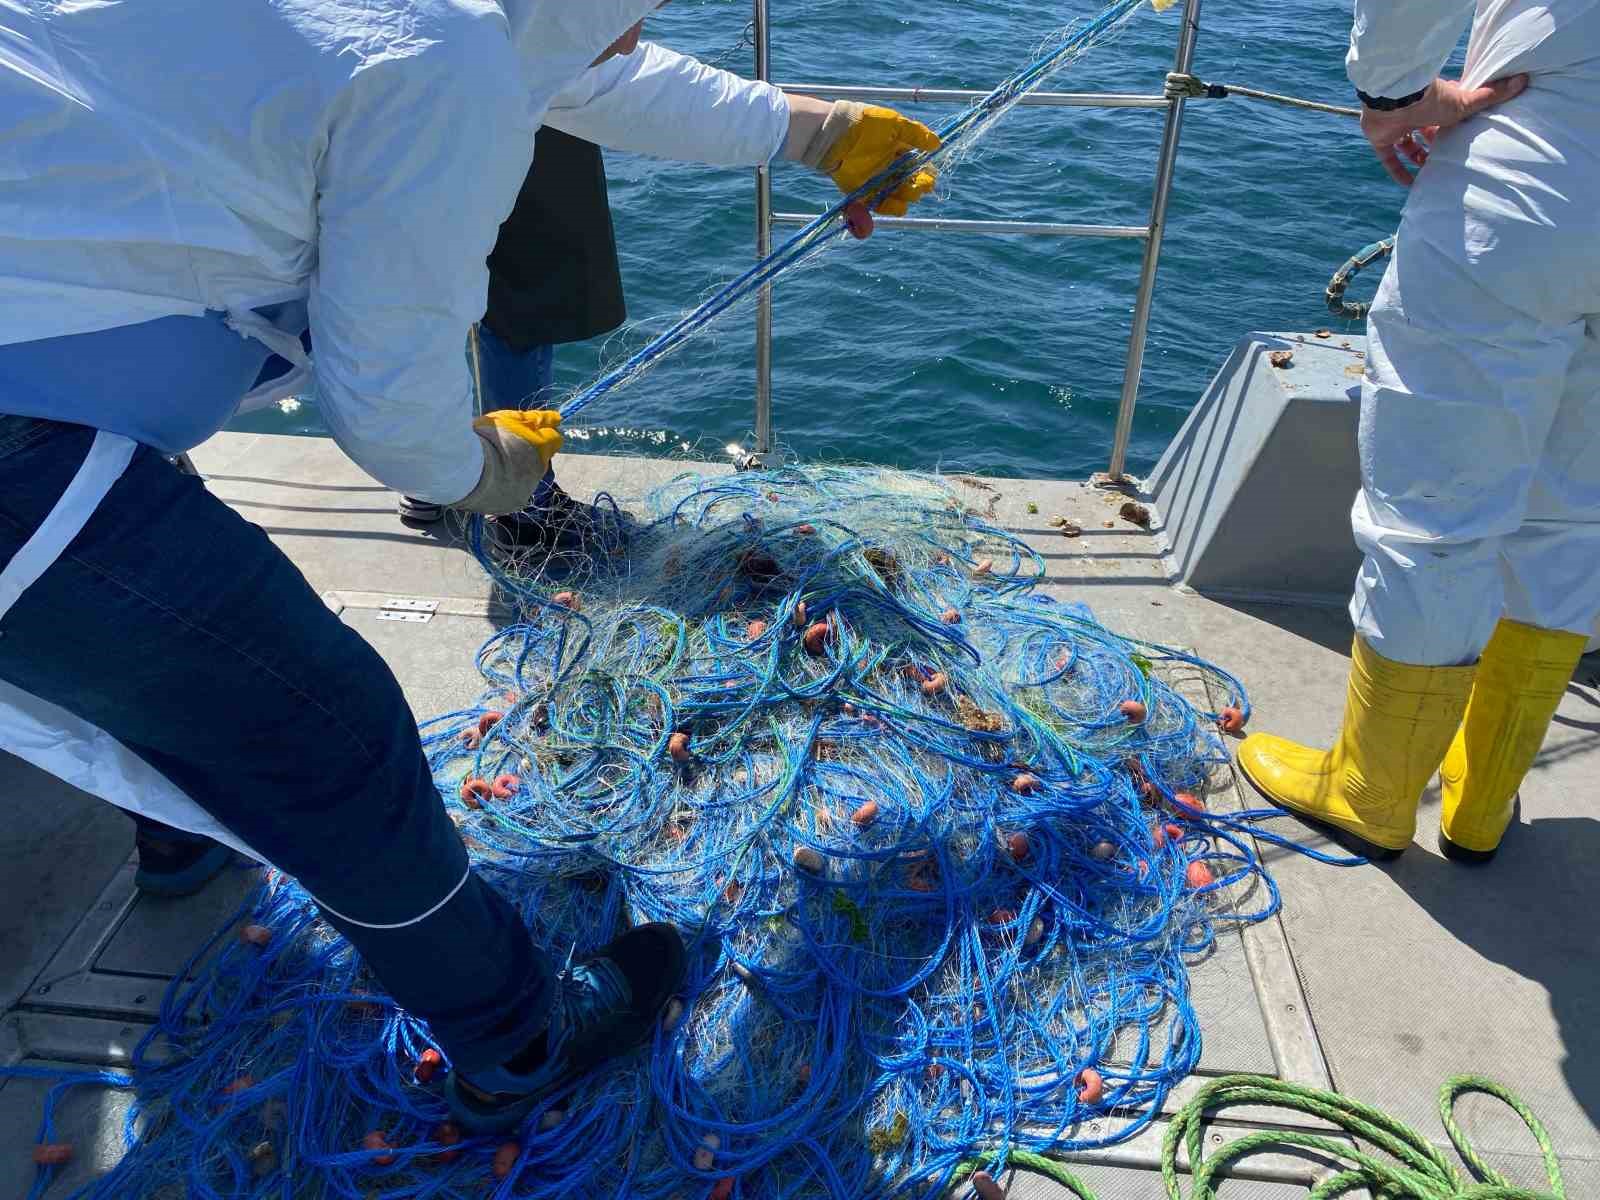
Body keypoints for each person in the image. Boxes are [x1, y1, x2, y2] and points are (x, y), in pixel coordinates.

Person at [0, 0, 937, 1133]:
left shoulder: (444, 26)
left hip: (54, 397)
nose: (644, 23)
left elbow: (556, 64)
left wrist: (814, 127)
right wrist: (481, 469)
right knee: (326, 731)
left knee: (168, 655)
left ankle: (182, 835)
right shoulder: (449, 59)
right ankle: (517, 1040)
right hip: (25, 452)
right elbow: (387, 404)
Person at [1238, 0, 1600, 862]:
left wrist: (1392, 92)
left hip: (1533, 189)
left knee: (1433, 511)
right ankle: (1481, 802)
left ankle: (1372, 789)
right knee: (1574, 515)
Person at [397, 126, 629, 549]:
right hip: (521, 115)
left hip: (412, 117)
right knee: (523, 300)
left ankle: (431, 478)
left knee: (429, 289)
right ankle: (524, 506)